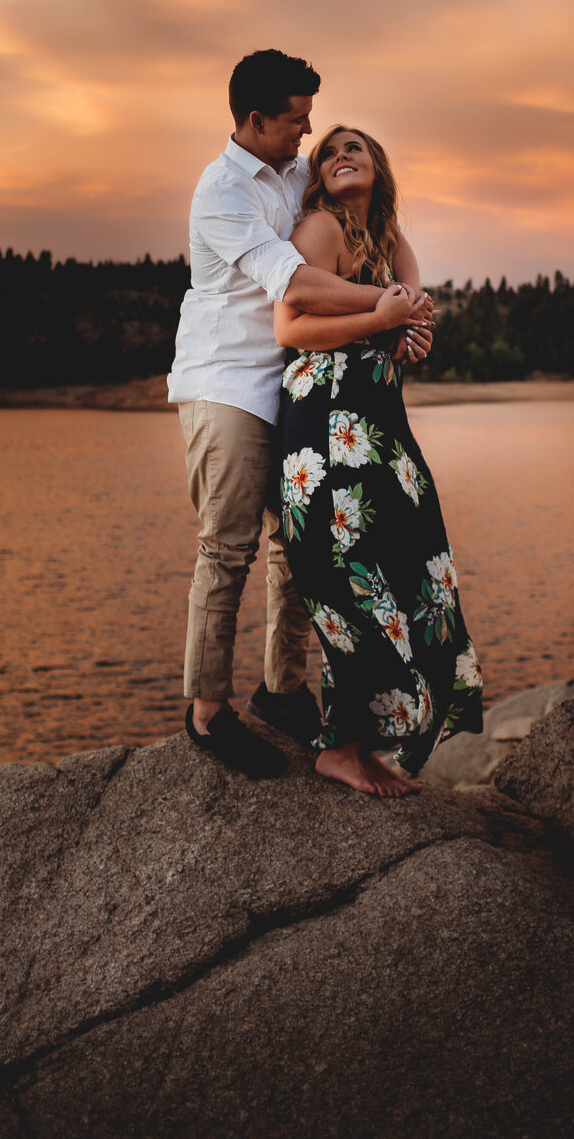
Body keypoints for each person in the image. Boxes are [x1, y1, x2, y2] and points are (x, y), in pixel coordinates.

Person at [168, 52, 435, 778]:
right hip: (226, 382)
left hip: (292, 387)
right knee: (227, 548)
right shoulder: (221, 190)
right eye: (295, 119)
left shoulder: (295, 173)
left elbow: (362, 232)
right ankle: (207, 713)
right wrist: (389, 307)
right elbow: (290, 280)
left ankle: (283, 690)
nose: (308, 131)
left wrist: (402, 307)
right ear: (256, 121)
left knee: (297, 549)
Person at [273, 124, 483, 796]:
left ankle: (365, 740)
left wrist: (414, 334)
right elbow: (291, 322)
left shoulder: (391, 240)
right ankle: (342, 744)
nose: (339, 156)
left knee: (417, 568)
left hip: (383, 425)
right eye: (328, 152)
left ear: (378, 166)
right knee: (350, 575)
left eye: (353, 147)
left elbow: (417, 315)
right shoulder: (320, 229)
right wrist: (383, 318)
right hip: (328, 425)